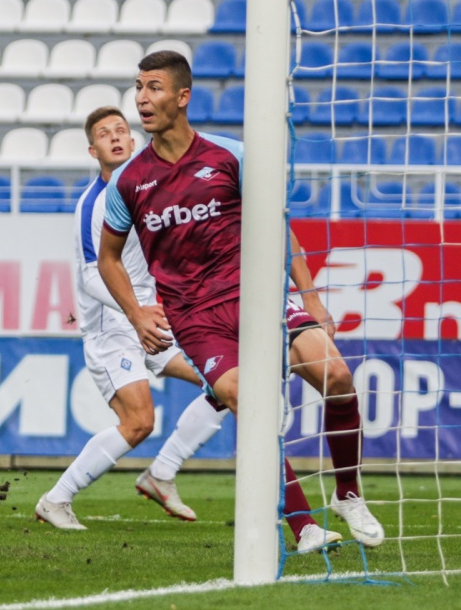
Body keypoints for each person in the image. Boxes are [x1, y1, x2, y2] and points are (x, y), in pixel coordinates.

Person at [98, 50, 384, 552]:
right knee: (248, 403)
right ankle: (304, 526)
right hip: (196, 318)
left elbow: (279, 225)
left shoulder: (230, 156)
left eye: (154, 87)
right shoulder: (128, 181)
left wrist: (311, 297)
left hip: (258, 296)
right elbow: (109, 259)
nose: (142, 98)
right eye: (138, 87)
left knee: (338, 377)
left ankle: (347, 495)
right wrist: (137, 313)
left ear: (182, 97)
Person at [35, 107, 229, 530]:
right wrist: (135, 312)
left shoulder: (147, 187)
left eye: (121, 130)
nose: (115, 137)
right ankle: (56, 499)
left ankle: (162, 471)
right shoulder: (93, 204)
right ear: (93, 150)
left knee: (228, 384)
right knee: (139, 422)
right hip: (114, 326)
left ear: (133, 138)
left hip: (154, 318)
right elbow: (91, 276)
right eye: (105, 134)